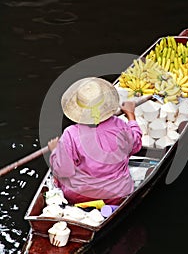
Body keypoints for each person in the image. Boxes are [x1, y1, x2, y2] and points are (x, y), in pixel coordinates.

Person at [48, 77, 142, 205]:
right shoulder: (120, 125)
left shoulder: (71, 134)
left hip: (79, 196)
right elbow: (136, 146)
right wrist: (131, 116)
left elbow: (64, 171)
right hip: (117, 193)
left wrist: (55, 152)